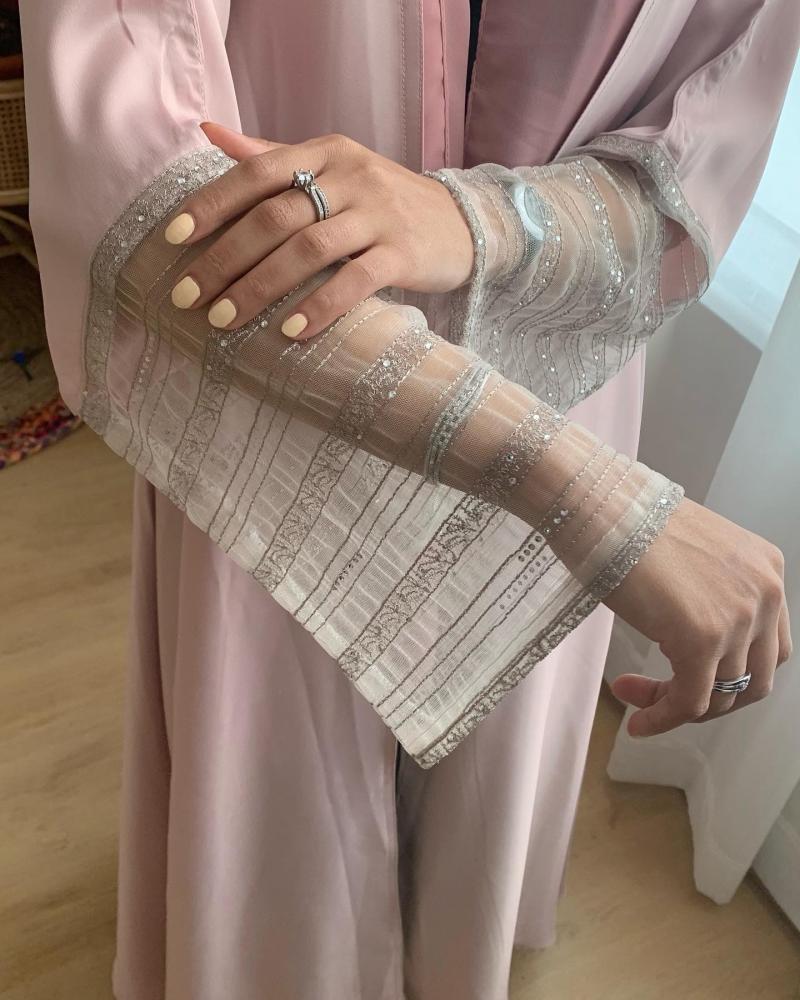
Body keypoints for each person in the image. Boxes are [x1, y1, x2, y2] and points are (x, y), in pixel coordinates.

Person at [18, 2, 798, 998]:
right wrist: (594, 498)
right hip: (277, 401)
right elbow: (143, 192)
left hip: (561, 373)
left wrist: (471, 221)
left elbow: (686, 168)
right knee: (277, 832)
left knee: (474, 818)